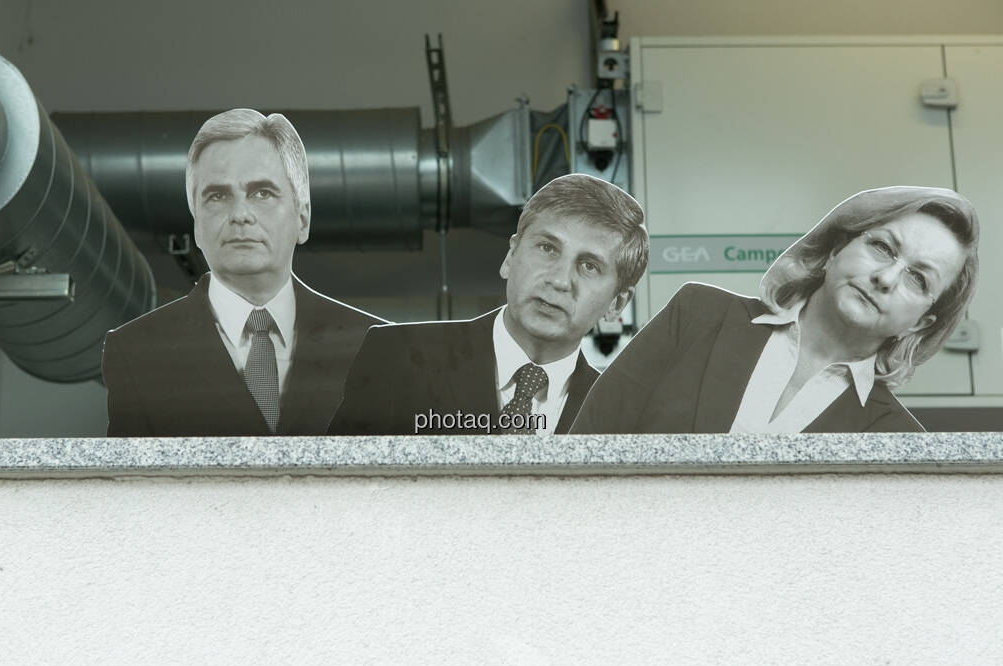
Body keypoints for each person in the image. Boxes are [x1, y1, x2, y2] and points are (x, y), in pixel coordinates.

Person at [569, 186, 979, 434]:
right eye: (882, 247)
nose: (887, 278)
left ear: (921, 323)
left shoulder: (897, 438)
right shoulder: (697, 315)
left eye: (918, 279)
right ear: (838, 249)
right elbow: (585, 451)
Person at [102, 109, 384, 436]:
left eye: (261, 193)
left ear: (302, 218)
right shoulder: (136, 353)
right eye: (218, 196)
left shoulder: (376, 346)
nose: (240, 215)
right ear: (196, 225)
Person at [327, 173, 649, 435]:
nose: (560, 280)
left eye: (589, 266)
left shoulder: (629, 418)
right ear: (511, 256)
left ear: (617, 303)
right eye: (547, 248)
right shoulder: (399, 358)